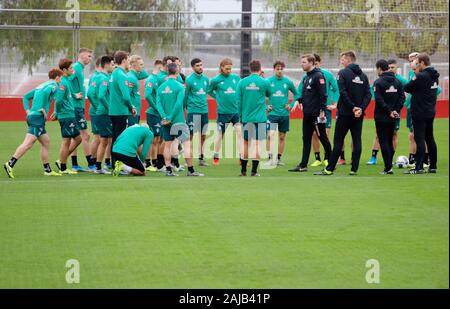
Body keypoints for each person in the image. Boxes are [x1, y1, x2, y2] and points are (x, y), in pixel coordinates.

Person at [315, 51, 371, 176]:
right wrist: (360, 108)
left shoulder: (343, 73)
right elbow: (368, 94)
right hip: (359, 114)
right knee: (357, 140)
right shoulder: (363, 76)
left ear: (348, 59)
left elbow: (343, 92)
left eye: (342, 59)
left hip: (345, 113)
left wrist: (352, 108)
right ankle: (354, 169)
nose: (341, 62)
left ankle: (329, 169)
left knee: (338, 141)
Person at [4, 68, 64, 178]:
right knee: (28, 143)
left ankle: (47, 170)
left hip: (32, 116)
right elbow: (51, 95)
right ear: (57, 77)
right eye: (61, 78)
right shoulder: (54, 85)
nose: (61, 80)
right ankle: (10, 164)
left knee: (46, 142)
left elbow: (26, 97)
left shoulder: (41, 85)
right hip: (37, 117)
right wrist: (42, 109)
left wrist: (28, 110)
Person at [155, 62, 204, 176]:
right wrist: (171, 117)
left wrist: (164, 117)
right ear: (177, 72)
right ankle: (191, 170)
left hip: (165, 121)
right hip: (178, 120)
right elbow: (178, 104)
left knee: (167, 145)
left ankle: (168, 170)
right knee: (187, 144)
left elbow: (158, 104)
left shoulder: (161, 87)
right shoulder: (179, 86)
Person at [288, 54, 331, 172]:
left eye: (304, 62)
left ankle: (331, 162)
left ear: (311, 63)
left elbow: (323, 95)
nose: (302, 64)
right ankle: (303, 165)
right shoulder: (306, 77)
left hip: (317, 115)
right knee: (306, 139)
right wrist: (298, 101)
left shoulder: (318, 76)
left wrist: (322, 111)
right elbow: (307, 95)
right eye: (301, 62)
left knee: (323, 138)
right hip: (307, 115)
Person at [367, 58, 408, 165]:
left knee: (391, 136)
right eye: (389, 67)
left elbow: (404, 96)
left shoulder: (400, 81)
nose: (391, 69)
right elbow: (401, 97)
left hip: (385, 113)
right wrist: (394, 110)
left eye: (392, 67)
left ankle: (388, 163)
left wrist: (394, 110)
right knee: (380, 136)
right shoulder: (391, 82)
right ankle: (375, 157)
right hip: (393, 113)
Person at [404, 53, 440, 174]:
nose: (416, 65)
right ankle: (433, 166)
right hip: (430, 111)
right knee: (430, 138)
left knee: (419, 138)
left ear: (422, 63)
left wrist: (415, 72)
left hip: (419, 111)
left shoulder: (421, 76)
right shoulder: (435, 76)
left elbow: (407, 87)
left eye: (418, 63)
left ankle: (418, 167)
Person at [236, 60, 271, 176]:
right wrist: (263, 78)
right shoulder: (264, 82)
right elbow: (269, 94)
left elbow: (238, 102)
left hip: (246, 118)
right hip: (260, 118)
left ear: (250, 69)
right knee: (257, 144)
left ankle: (243, 171)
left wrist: (241, 117)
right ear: (260, 69)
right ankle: (254, 171)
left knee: (245, 143)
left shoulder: (242, 82)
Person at [263, 60, 298, 168]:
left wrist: (291, 105)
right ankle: (270, 158)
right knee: (270, 136)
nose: (279, 71)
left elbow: (297, 94)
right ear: (274, 70)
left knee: (282, 137)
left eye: (281, 69)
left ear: (284, 69)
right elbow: (259, 95)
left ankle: (278, 159)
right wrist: (265, 106)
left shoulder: (288, 82)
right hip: (272, 114)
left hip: (284, 114)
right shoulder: (268, 81)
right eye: (277, 69)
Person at [208, 58, 242, 166]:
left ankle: (242, 157)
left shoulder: (236, 78)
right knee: (220, 135)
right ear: (221, 68)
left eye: (230, 68)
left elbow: (241, 90)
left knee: (240, 133)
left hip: (235, 112)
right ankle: (216, 155)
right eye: (227, 68)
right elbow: (209, 90)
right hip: (223, 113)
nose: (229, 70)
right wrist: (217, 97)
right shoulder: (216, 80)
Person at [67, 48, 95, 172]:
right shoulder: (77, 67)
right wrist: (73, 94)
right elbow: (65, 80)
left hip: (77, 106)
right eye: (89, 56)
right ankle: (91, 164)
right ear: (82, 56)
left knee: (76, 137)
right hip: (76, 107)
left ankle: (74, 165)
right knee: (85, 135)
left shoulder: (79, 68)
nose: (90, 58)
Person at [53, 58, 82, 175]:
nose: (73, 70)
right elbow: (59, 100)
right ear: (64, 70)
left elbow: (66, 96)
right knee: (66, 141)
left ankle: (61, 161)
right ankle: (63, 167)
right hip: (66, 115)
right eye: (71, 68)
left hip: (70, 114)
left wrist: (75, 96)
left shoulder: (66, 80)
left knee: (78, 139)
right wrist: (57, 112)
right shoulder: (63, 83)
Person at [310, 53, 339, 167]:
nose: (315, 66)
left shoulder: (327, 74)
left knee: (325, 134)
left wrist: (335, 103)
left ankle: (327, 158)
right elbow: (301, 90)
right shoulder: (307, 76)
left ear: (319, 62)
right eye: (313, 64)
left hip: (325, 108)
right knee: (314, 134)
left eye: (316, 63)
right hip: (313, 109)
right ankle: (317, 158)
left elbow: (336, 89)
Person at [109, 51, 136, 165]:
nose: (129, 62)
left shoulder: (114, 73)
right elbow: (126, 96)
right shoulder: (122, 75)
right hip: (120, 111)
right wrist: (131, 107)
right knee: (120, 139)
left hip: (113, 111)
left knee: (115, 138)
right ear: (124, 60)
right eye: (128, 60)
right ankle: (118, 164)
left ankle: (114, 163)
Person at [185, 58, 210, 166]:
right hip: (193, 111)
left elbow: (206, 93)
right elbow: (185, 96)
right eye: (197, 65)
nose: (200, 67)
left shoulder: (206, 79)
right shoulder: (189, 80)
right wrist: (186, 108)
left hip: (204, 111)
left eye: (201, 65)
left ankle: (201, 158)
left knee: (203, 135)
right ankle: (188, 159)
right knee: (189, 136)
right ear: (193, 67)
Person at [94, 55, 115, 174]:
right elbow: (101, 96)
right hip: (104, 114)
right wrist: (109, 108)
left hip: (101, 112)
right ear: (106, 65)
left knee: (105, 140)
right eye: (112, 64)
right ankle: (98, 167)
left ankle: (99, 166)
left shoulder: (99, 77)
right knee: (104, 141)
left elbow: (93, 94)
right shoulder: (104, 78)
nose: (113, 67)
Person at [145, 59, 164, 171]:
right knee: (154, 138)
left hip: (158, 114)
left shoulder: (157, 79)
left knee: (158, 139)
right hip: (153, 114)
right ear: (160, 68)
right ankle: (151, 162)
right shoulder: (151, 79)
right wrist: (156, 107)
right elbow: (147, 95)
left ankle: (154, 161)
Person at [87, 56, 102, 168]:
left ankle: (96, 160)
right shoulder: (96, 77)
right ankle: (92, 161)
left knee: (101, 138)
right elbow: (91, 94)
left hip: (98, 111)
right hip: (96, 111)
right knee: (97, 137)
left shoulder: (98, 76)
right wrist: (97, 107)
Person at [127, 55, 149, 126]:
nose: (143, 66)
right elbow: (126, 95)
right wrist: (131, 107)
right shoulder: (131, 77)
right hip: (131, 112)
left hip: (136, 111)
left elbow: (146, 75)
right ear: (134, 65)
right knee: (132, 135)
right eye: (141, 64)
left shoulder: (135, 76)